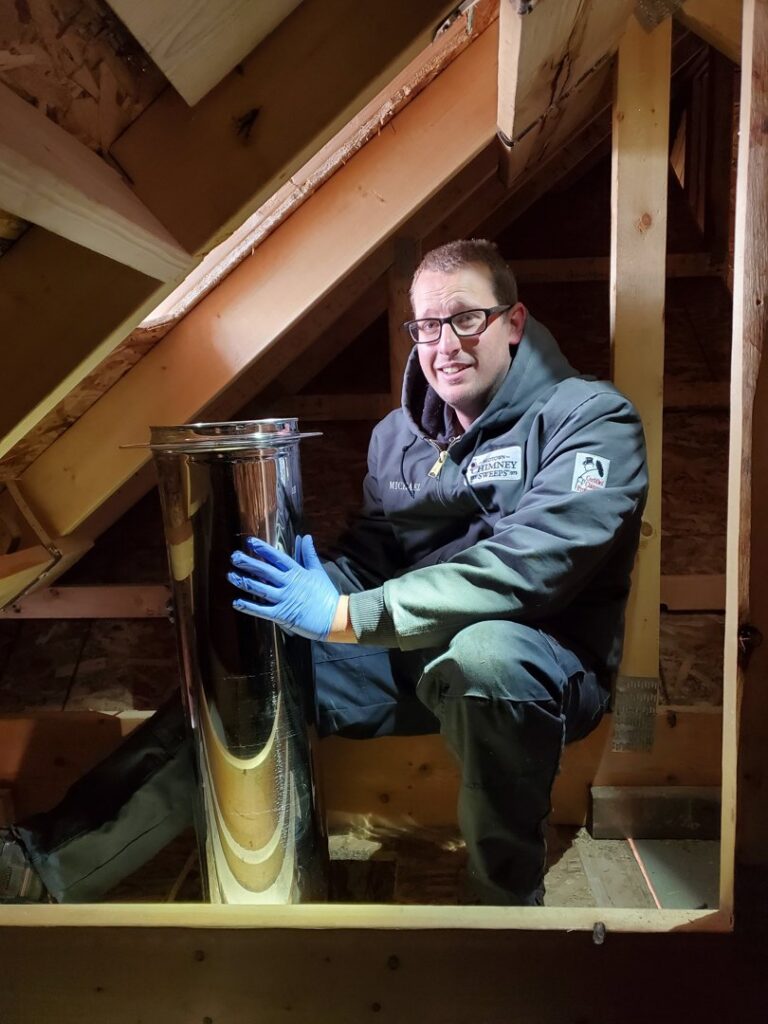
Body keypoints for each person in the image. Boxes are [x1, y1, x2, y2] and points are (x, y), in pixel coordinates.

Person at [0, 239, 647, 906]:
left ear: (513, 322)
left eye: (466, 318)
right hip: (413, 652)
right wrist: (263, 600)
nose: (445, 344)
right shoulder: (398, 437)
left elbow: (533, 564)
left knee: (487, 656)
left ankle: (503, 906)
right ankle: (45, 867)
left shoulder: (589, 419)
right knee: (248, 668)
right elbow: (370, 560)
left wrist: (346, 615)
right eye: (427, 325)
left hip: (541, 664)